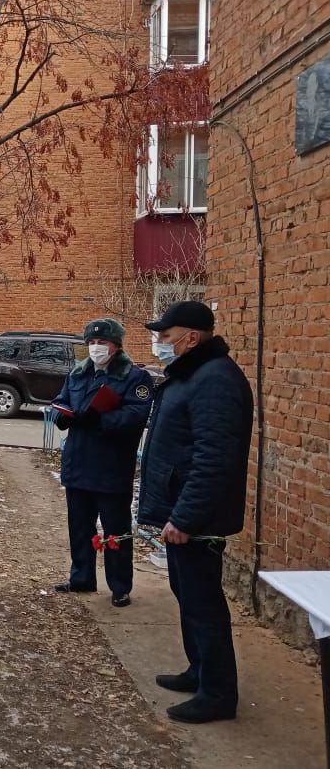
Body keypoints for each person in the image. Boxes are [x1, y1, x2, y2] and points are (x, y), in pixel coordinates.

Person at [138, 300, 253, 724]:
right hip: (181, 509)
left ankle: (218, 694)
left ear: (191, 337)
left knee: (204, 604)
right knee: (187, 596)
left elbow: (213, 456)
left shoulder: (214, 379)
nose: (159, 343)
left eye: (165, 336)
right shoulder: (192, 374)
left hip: (196, 518)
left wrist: (185, 517)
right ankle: (198, 671)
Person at [51, 318, 153, 607]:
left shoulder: (134, 377)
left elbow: (136, 415)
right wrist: (61, 414)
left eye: (102, 343)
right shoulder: (79, 373)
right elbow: (61, 400)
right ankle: (81, 577)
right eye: (91, 343)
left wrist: (101, 419)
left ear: (116, 346)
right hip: (79, 464)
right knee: (80, 527)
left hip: (111, 467)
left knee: (115, 530)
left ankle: (120, 586)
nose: (96, 348)